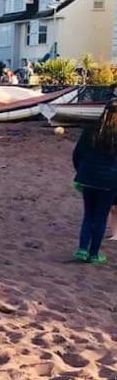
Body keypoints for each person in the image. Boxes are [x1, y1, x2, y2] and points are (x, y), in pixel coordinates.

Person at [72, 100, 117, 264]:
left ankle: (82, 249)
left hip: (88, 178)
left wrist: (80, 173)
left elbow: (77, 154)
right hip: (110, 182)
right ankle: (94, 254)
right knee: (100, 217)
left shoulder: (91, 129)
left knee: (88, 215)